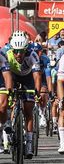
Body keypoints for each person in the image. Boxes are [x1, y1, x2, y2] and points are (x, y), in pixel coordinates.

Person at [3, 30, 42, 158]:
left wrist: (36, 91)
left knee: (28, 110)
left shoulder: (32, 54)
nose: (18, 54)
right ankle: (9, 125)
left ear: (26, 48)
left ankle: (29, 143)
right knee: (8, 100)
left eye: (21, 51)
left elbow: (37, 76)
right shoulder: (5, 52)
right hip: (12, 76)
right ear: (11, 49)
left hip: (27, 78)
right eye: (15, 51)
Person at [0, 52, 13, 154]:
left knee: (2, 106)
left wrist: (9, 94)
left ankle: (2, 126)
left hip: (1, 81)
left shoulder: (2, 56)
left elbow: (7, 76)